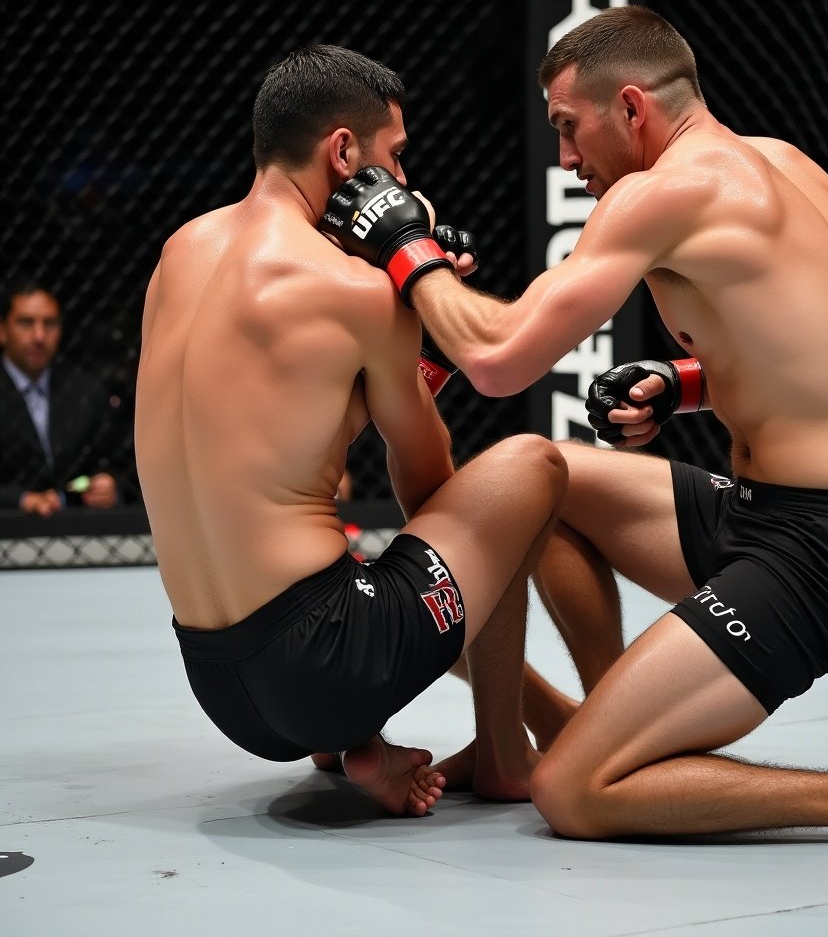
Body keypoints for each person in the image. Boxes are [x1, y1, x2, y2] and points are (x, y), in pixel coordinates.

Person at [319, 6, 828, 850]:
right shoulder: (787, 164)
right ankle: (538, 737)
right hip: (765, 512)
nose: (567, 159)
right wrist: (680, 384)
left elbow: (499, 362)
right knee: (529, 476)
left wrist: (405, 246)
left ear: (634, 108)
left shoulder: (663, 194)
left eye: (570, 130)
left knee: (573, 793)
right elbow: (823, 360)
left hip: (824, 560)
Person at [134, 44, 568, 817]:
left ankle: (351, 740)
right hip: (327, 660)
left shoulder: (178, 255)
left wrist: (401, 355)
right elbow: (434, 484)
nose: (403, 181)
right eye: (395, 157)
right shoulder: (356, 291)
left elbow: (282, 435)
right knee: (527, 469)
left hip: (218, 685)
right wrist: (407, 318)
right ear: (344, 152)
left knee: (326, 549)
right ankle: (504, 755)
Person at [0, 282, 119, 515]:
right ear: (2, 330)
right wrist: (21, 499)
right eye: (26, 322)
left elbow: (118, 460)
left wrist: (110, 486)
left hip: (82, 526)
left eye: (49, 323)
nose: (39, 336)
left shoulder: (85, 390)